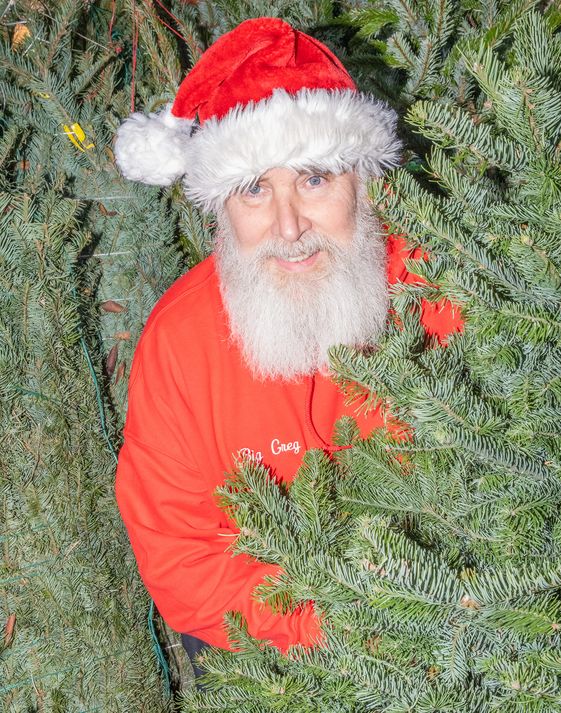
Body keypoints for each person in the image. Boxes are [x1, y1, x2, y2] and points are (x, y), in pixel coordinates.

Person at [114, 17, 462, 677]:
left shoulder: (436, 286)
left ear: (362, 181)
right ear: (222, 209)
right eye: (255, 190)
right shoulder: (178, 343)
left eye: (313, 180)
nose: (289, 226)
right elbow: (181, 557)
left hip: (444, 621)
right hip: (267, 649)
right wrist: (337, 626)